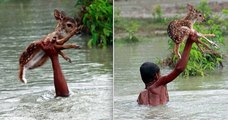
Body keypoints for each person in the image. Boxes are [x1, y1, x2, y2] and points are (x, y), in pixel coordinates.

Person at [137, 31, 198, 106]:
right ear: (156, 76)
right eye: (160, 73)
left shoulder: (141, 95)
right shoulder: (159, 83)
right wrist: (189, 43)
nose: (162, 75)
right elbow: (179, 69)